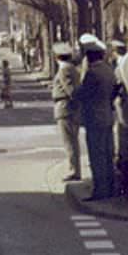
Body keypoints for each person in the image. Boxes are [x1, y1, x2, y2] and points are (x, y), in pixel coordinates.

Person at [74, 37, 118, 200]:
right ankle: (111, 188)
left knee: (97, 156)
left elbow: (83, 94)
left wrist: (76, 92)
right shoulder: (108, 70)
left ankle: (100, 190)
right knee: (108, 155)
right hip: (107, 116)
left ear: (90, 56)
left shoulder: (92, 73)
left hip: (94, 118)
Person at [51, 42, 81, 181]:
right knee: (72, 141)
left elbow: (71, 91)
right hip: (68, 108)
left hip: (65, 108)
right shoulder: (72, 68)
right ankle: (75, 169)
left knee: (69, 142)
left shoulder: (64, 70)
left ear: (57, 57)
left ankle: (74, 170)